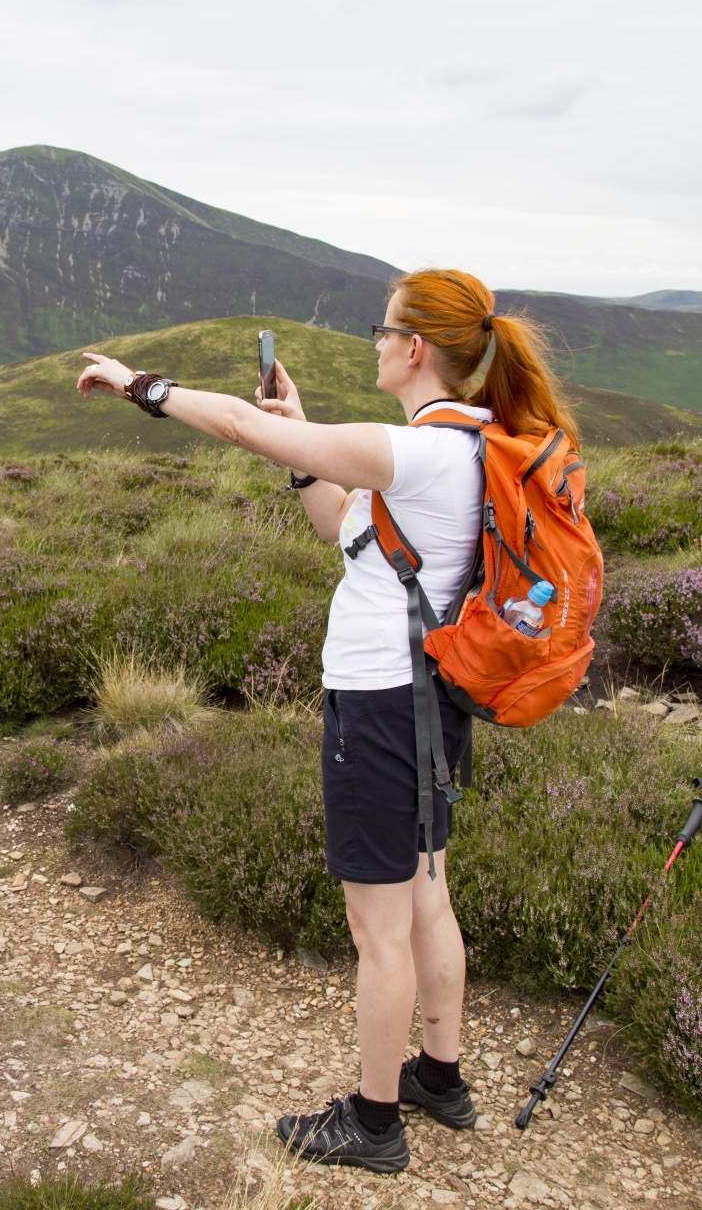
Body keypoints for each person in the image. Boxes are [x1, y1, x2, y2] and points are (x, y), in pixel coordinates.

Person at [75, 268, 579, 1173]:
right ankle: (439, 1075)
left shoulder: (420, 450)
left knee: (378, 929)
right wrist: (301, 437)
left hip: (383, 708)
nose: (377, 342)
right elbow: (345, 527)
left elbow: (236, 422)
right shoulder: (464, 445)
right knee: (426, 893)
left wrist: (140, 386)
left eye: (384, 331)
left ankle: (376, 1124)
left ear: (415, 348)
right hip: (422, 706)